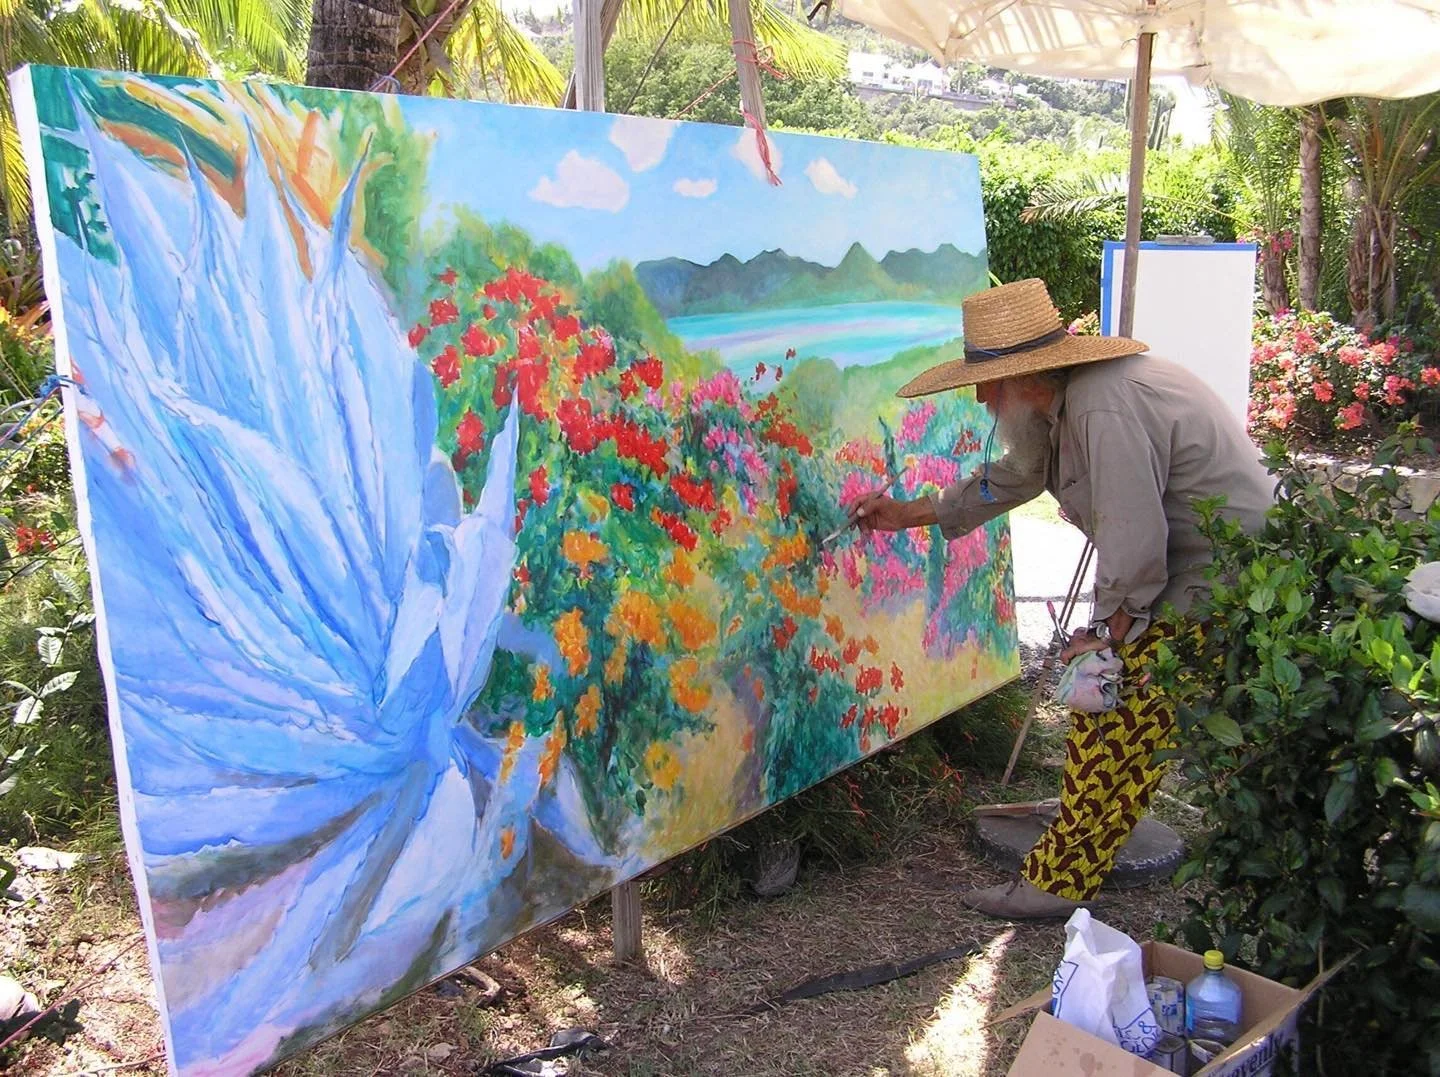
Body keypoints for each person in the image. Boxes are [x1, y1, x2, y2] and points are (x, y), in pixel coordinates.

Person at [848, 278, 1274, 919]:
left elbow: (1134, 541)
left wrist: (1105, 636)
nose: (981, 399)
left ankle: (1058, 884)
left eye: (986, 386)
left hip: (1226, 572)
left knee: (1108, 708)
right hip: (1195, 567)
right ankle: (1167, 829)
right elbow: (1014, 477)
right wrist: (901, 515)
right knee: (1155, 713)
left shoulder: (1103, 405)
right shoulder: (1063, 401)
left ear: (1024, 379)